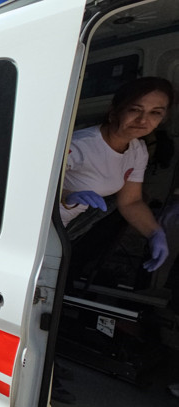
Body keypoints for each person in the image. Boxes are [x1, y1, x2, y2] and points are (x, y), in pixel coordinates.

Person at [60, 76, 174, 272]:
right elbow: (32, 187)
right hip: (37, 226)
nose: (143, 120)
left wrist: (155, 232)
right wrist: (66, 195)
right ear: (114, 112)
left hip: (62, 229)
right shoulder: (80, 145)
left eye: (155, 113)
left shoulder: (137, 150)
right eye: (135, 110)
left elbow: (130, 202)